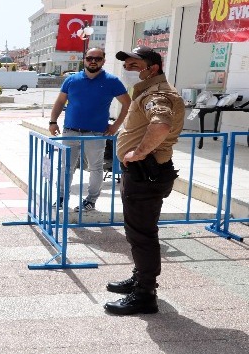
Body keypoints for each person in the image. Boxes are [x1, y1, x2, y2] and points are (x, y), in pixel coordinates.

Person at [104, 46, 185, 315]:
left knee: (142, 235)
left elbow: (160, 124)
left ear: (152, 68)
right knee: (137, 232)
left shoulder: (157, 94)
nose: (128, 70)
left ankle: (145, 294)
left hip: (146, 173)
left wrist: (138, 153)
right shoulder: (146, 91)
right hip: (142, 173)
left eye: (134, 66)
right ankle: (140, 279)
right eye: (126, 66)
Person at [49, 48, 131, 212]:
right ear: (84, 60)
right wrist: (53, 121)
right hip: (70, 131)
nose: (93, 61)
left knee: (95, 168)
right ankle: (61, 198)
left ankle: (90, 201)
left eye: (97, 58)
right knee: (66, 167)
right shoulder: (72, 80)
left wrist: (116, 126)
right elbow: (60, 102)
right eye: (90, 58)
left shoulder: (112, 81)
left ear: (103, 61)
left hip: (96, 133)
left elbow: (127, 103)